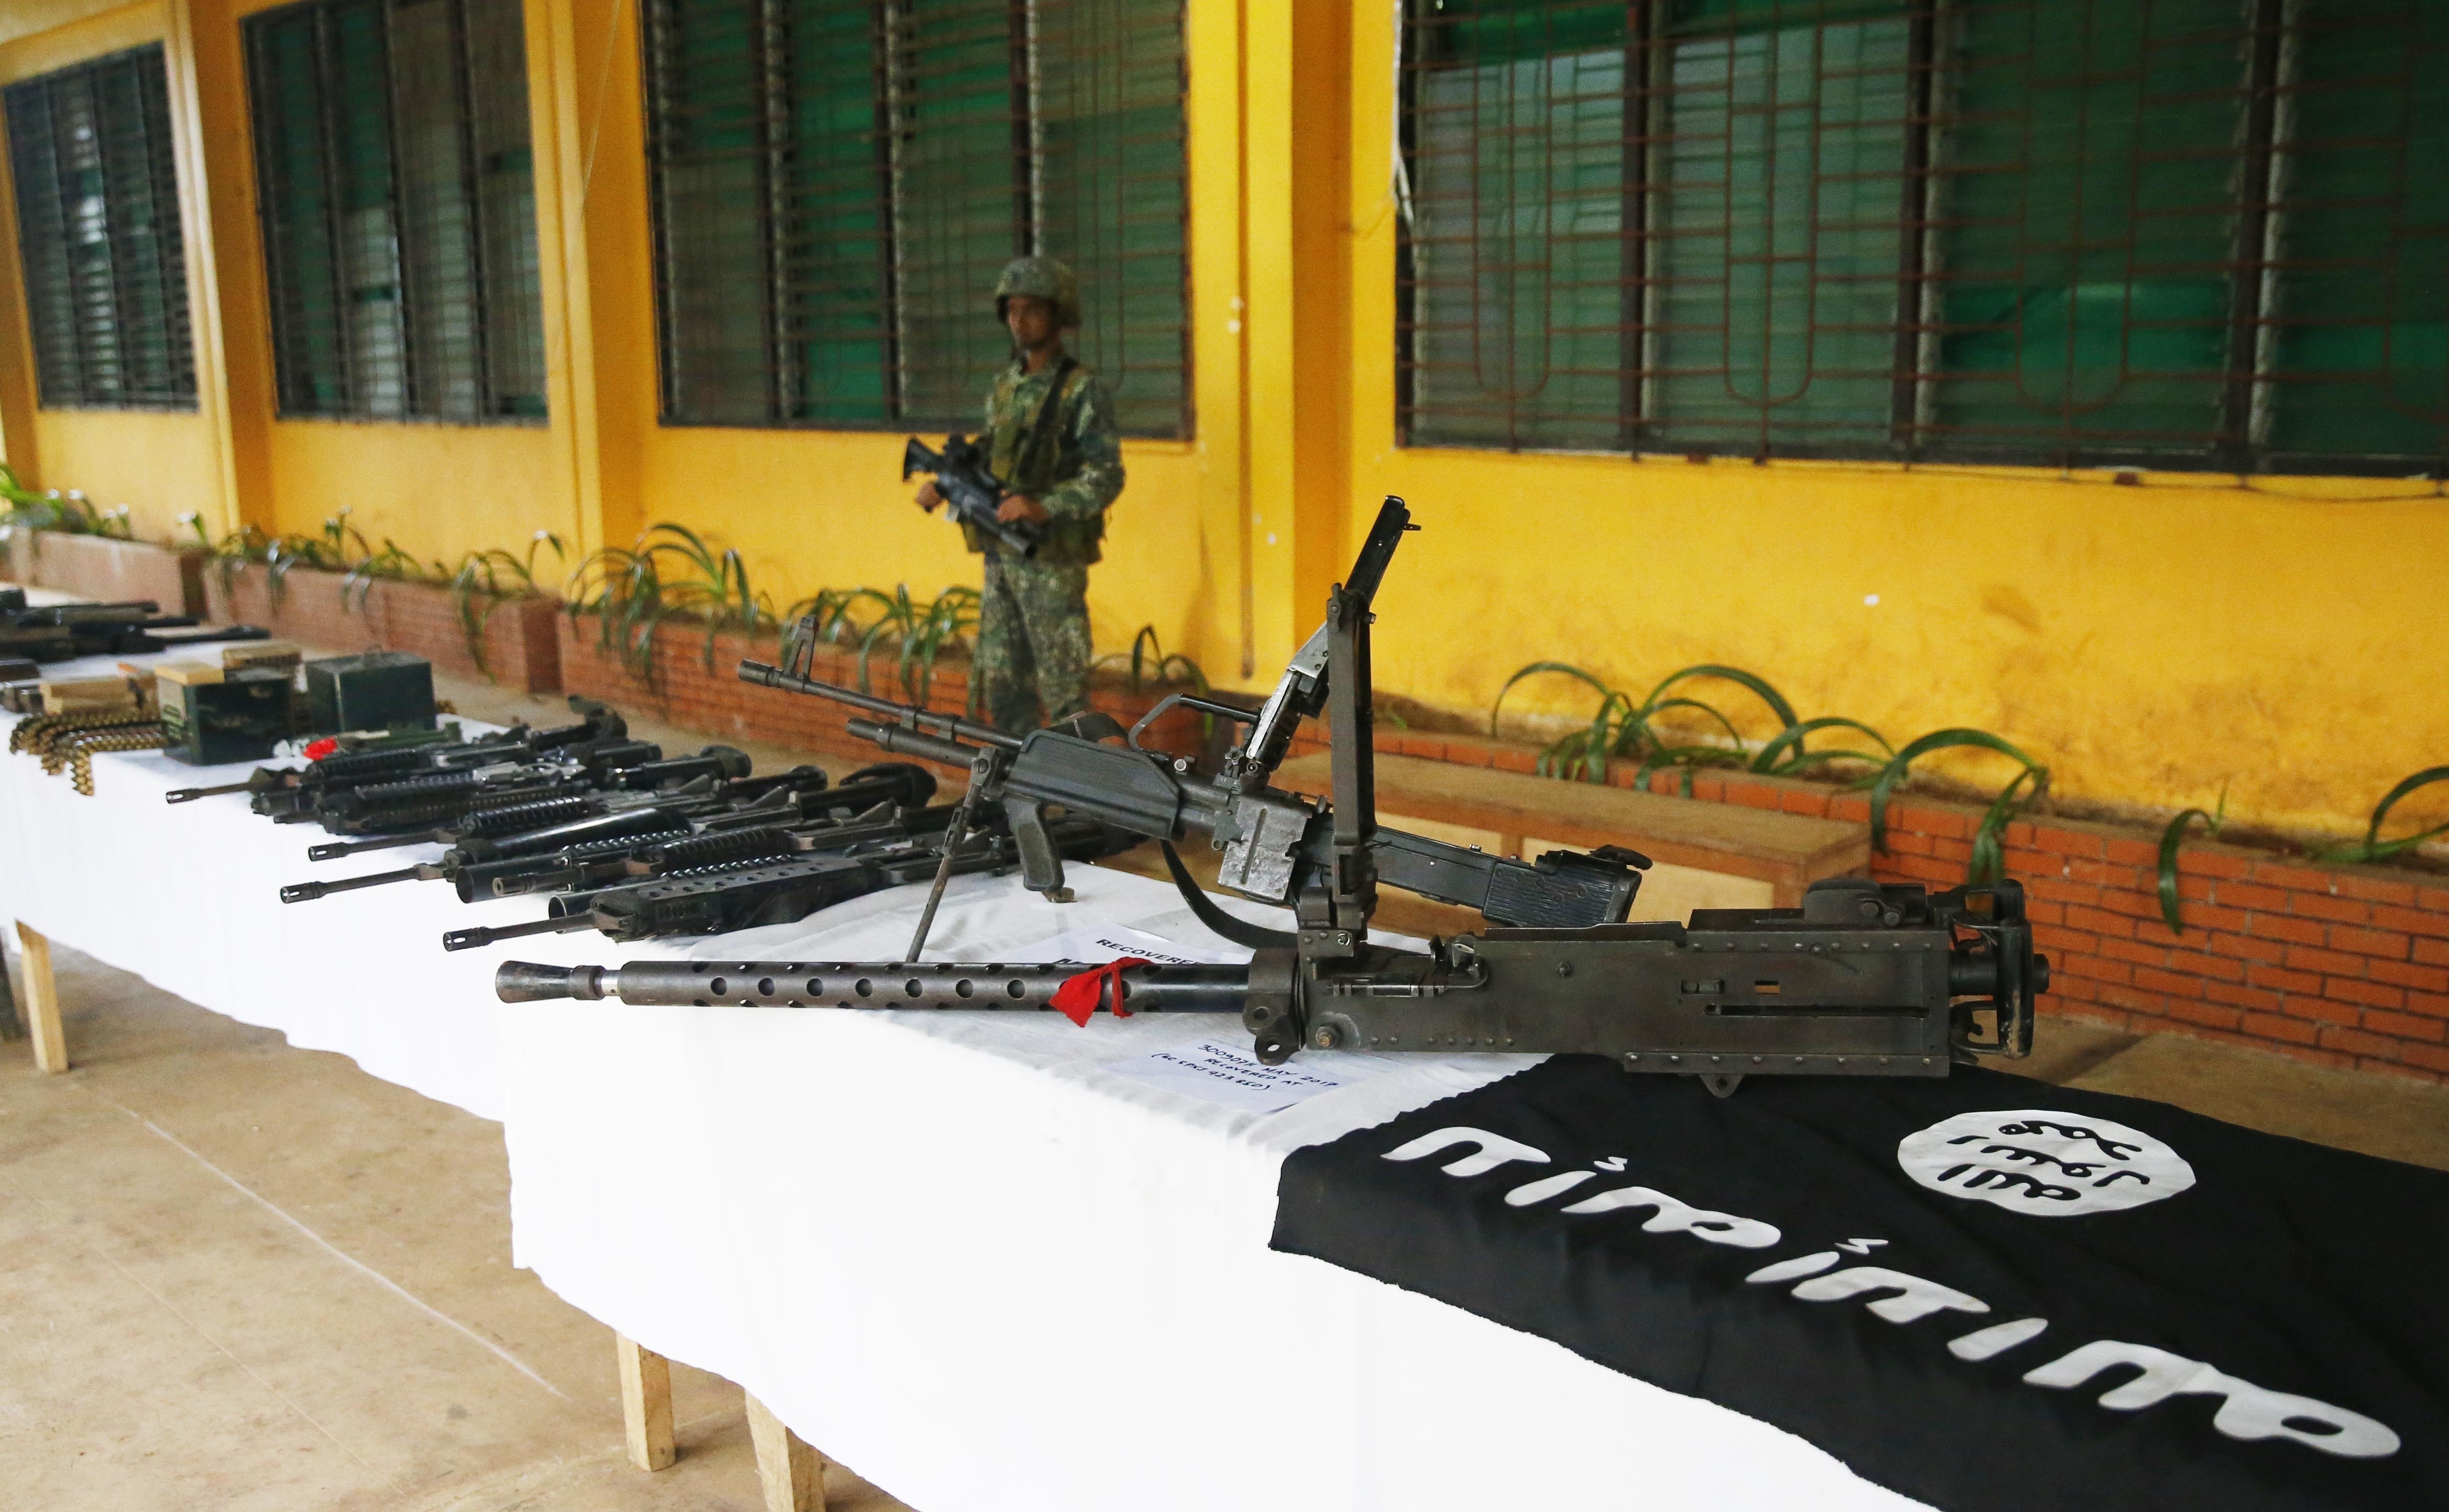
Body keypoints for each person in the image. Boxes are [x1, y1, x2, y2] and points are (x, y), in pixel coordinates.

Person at [914, 256, 1124, 733]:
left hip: (1050, 562)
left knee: (1066, 694)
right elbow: (990, 462)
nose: (1019, 320)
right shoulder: (1006, 387)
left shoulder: (1081, 390)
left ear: (1057, 314)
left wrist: (1044, 506)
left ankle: (1083, 798)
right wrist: (944, 484)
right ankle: (1019, 791)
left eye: (1031, 309)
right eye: (1011, 309)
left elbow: (1107, 475)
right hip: (1001, 558)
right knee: (1004, 686)